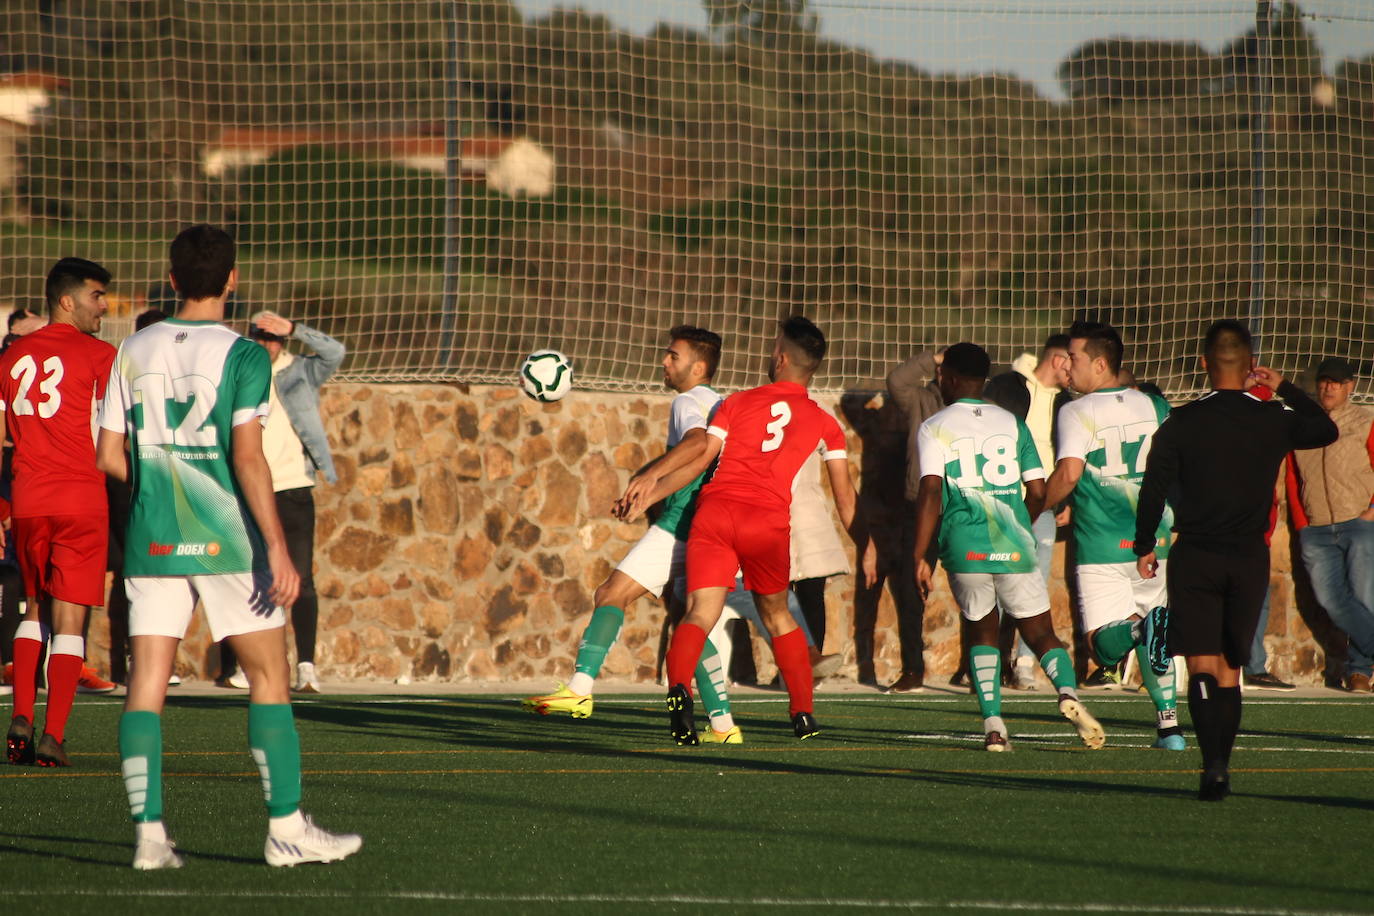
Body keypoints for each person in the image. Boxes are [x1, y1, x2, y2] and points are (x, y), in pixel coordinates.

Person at [95, 224, 360, 868]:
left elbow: (108, 454)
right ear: (233, 281)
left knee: (146, 685)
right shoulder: (244, 356)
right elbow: (248, 458)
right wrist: (278, 545)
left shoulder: (128, 349)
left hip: (153, 535)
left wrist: (163, 483)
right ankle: (286, 829)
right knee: (269, 676)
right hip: (226, 537)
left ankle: (150, 839)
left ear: (173, 278)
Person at [620, 316, 863, 743]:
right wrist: (869, 545)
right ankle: (802, 713)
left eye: (773, 348)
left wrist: (652, 491)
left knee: (699, 612)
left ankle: (680, 689)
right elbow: (845, 498)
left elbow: (699, 461)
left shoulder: (735, 402)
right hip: (766, 523)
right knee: (777, 614)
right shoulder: (826, 423)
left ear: (781, 358)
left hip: (715, 513)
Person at [1134, 320, 1337, 801]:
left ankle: (1212, 766)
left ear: (1203, 364)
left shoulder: (1180, 422)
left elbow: (1153, 488)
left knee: (1202, 666)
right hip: (1249, 556)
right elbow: (1326, 428)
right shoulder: (1273, 417)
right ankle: (1223, 763)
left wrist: (1145, 544)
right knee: (1230, 668)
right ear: (1250, 368)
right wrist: (1282, 384)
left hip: (1196, 554)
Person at [523, 327, 741, 742]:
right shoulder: (723, 404)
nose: (664, 362)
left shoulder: (688, 401)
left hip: (682, 526)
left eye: (672, 356)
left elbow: (696, 444)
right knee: (685, 621)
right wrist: (651, 490)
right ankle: (724, 726)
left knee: (610, 594)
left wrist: (650, 478)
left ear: (698, 366)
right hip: (716, 528)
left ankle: (581, 690)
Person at [912, 342, 1105, 752]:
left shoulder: (935, 425)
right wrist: (1020, 523)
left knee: (982, 631)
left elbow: (930, 491)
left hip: (964, 547)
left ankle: (994, 728)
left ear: (948, 378)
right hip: (1014, 543)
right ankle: (1068, 694)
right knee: (1039, 632)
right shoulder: (1014, 423)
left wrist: (920, 555)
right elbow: (1037, 490)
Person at [1041, 321, 1182, 750]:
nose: (1069, 365)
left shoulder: (1075, 410)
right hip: (1152, 543)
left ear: (1101, 364)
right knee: (1154, 631)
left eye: (1076, 357)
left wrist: (1034, 506)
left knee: (1103, 647)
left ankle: (1140, 633)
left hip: (1102, 545)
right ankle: (1170, 730)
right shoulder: (1154, 405)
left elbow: (1068, 474)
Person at [1, 258, 116, 767]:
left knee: (33, 608)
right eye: (97, 295)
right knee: (70, 622)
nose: (105, 306)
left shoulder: (11, 358)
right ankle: (54, 735)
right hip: (79, 499)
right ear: (66, 300)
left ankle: (21, 714)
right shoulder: (100, 356)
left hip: (28, 499)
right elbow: (118, 433)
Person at [217, 310, 346, 694]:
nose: (266, 344)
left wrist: (294, 328)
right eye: (259, 337)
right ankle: (246, 664)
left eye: (272, 338)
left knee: (302, 578)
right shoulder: (239, 372)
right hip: (251, 489)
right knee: (249, 576)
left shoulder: (299, 371)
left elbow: (335, 353)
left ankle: (306, 665)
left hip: (293, 487)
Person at [848, 350, 943, 692]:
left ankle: (985, 667)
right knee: (909, 586)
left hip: (961, 506)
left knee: (979, 585)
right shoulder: (921, 400)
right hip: (918, 505)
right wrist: (934, 358)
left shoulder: (974, 407)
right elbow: (896, 381)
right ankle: (913, 670)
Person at [984, 334, 1073, 689]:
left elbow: (1067, 457)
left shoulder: (1066, 402)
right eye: (1071, 360)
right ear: (1056, 360)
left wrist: (1064, 502)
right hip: (1006, 504)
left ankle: (1022, 664)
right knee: (995, 587)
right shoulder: (1007, 386)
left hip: (1045, 508)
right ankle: (989, 662)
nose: (1074, 369)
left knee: (1033, 589)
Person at [1282, 356, 1374, 692]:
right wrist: (1303, 523)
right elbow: (1293, 479)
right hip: (1316, 529)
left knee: (1364, 598)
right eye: (1323, 380)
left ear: (1350, 386)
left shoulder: (1364, 422)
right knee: (1331, 600)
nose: (1328, 387)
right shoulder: (1304, 424)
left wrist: (1372, 511)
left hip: (1358, 522)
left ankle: (1359, 671)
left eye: (1336, 382)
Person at [107, 308, 171, 687]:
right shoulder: (129, 368)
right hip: (139, 480)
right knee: (142, 571)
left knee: (147, 573)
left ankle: (146, 660)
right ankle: (139, 659)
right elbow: (110, 444)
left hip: (147, 478)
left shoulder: (128, 363)